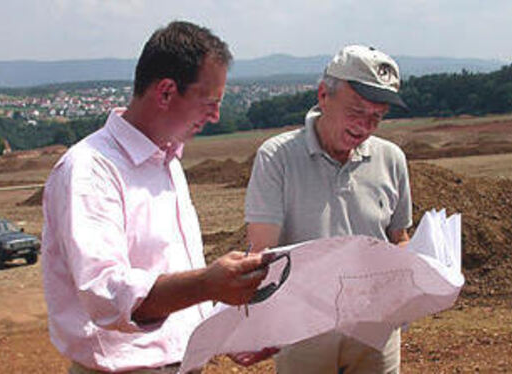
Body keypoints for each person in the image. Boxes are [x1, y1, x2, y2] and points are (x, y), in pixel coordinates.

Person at [42, 21, 268, 374]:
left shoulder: (167, 162)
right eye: (209, 102)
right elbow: (107, 295)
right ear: (165, 92)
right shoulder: (90, 170)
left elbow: (170, 274)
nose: (216, 116)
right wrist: (208, 283)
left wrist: (223, 330)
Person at [245, 45, 412, 373]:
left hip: (376, 329)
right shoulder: (277, 157)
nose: (364, 126)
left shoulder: (391, 159)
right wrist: (260, 324)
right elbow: (262, 251)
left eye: (376, 117)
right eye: (356, 111)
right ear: (324, 95)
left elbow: (400, 238)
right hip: (304, 329)